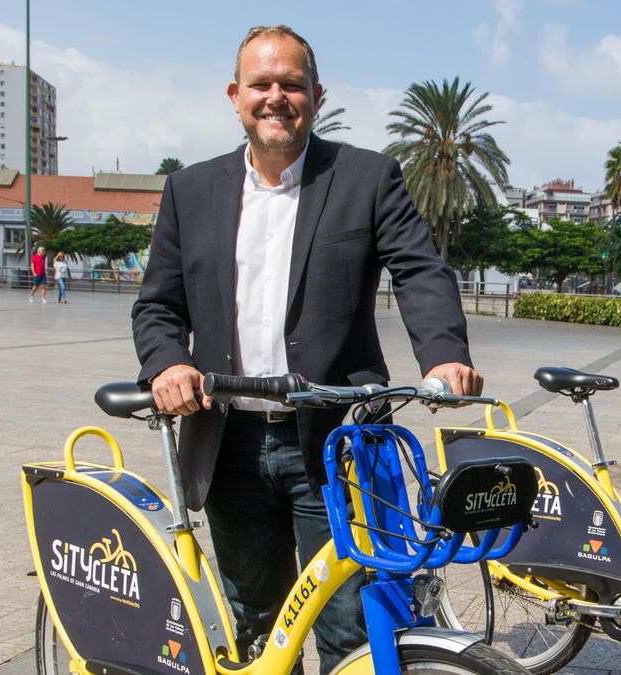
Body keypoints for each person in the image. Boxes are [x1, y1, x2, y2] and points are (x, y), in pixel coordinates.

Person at [131, 25, 481, 672]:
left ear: (316, 95)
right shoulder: (191, 191)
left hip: (337, 443)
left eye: (291, 84)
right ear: (235, 96)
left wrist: (443, 355)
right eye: (261, 84)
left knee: (352, 627)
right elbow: (157, 305)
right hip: (229, 442)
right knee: (258, 628)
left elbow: (420, 270)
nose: (276, 97)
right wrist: (168, 361)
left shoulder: (367, 178)